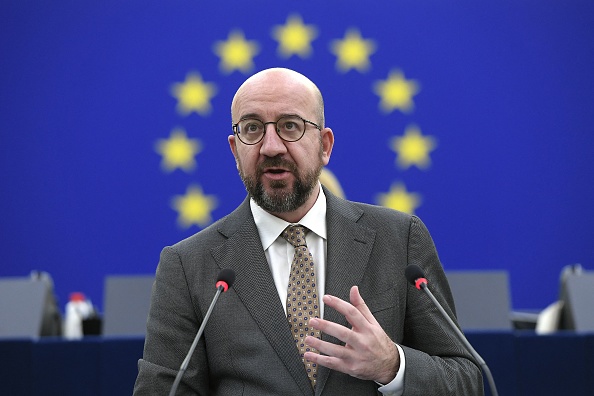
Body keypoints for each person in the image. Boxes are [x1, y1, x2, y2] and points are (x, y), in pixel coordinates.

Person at [133, 68, 484, 395]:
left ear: (325, 145)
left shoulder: (399, 238)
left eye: (290, 126)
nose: (271, 146)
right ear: (235, 150)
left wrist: (393, 364)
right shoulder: (187, 264)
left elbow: (467, 379)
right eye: (253, 128)